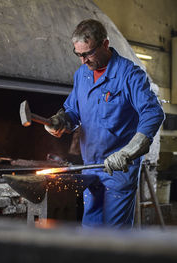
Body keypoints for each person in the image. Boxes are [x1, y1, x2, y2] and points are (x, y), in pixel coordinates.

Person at [45, 19, 165, 228]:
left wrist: (129, 152)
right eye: (79, 54)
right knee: (90, 231)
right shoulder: (82, 75)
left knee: (113, 235)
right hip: (91, 168)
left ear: (105, 44)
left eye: (88, 54)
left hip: (118, 170)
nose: (83, 61)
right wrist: (61, 121)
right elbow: (74, 111)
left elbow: (153, 112)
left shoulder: (129, 74)